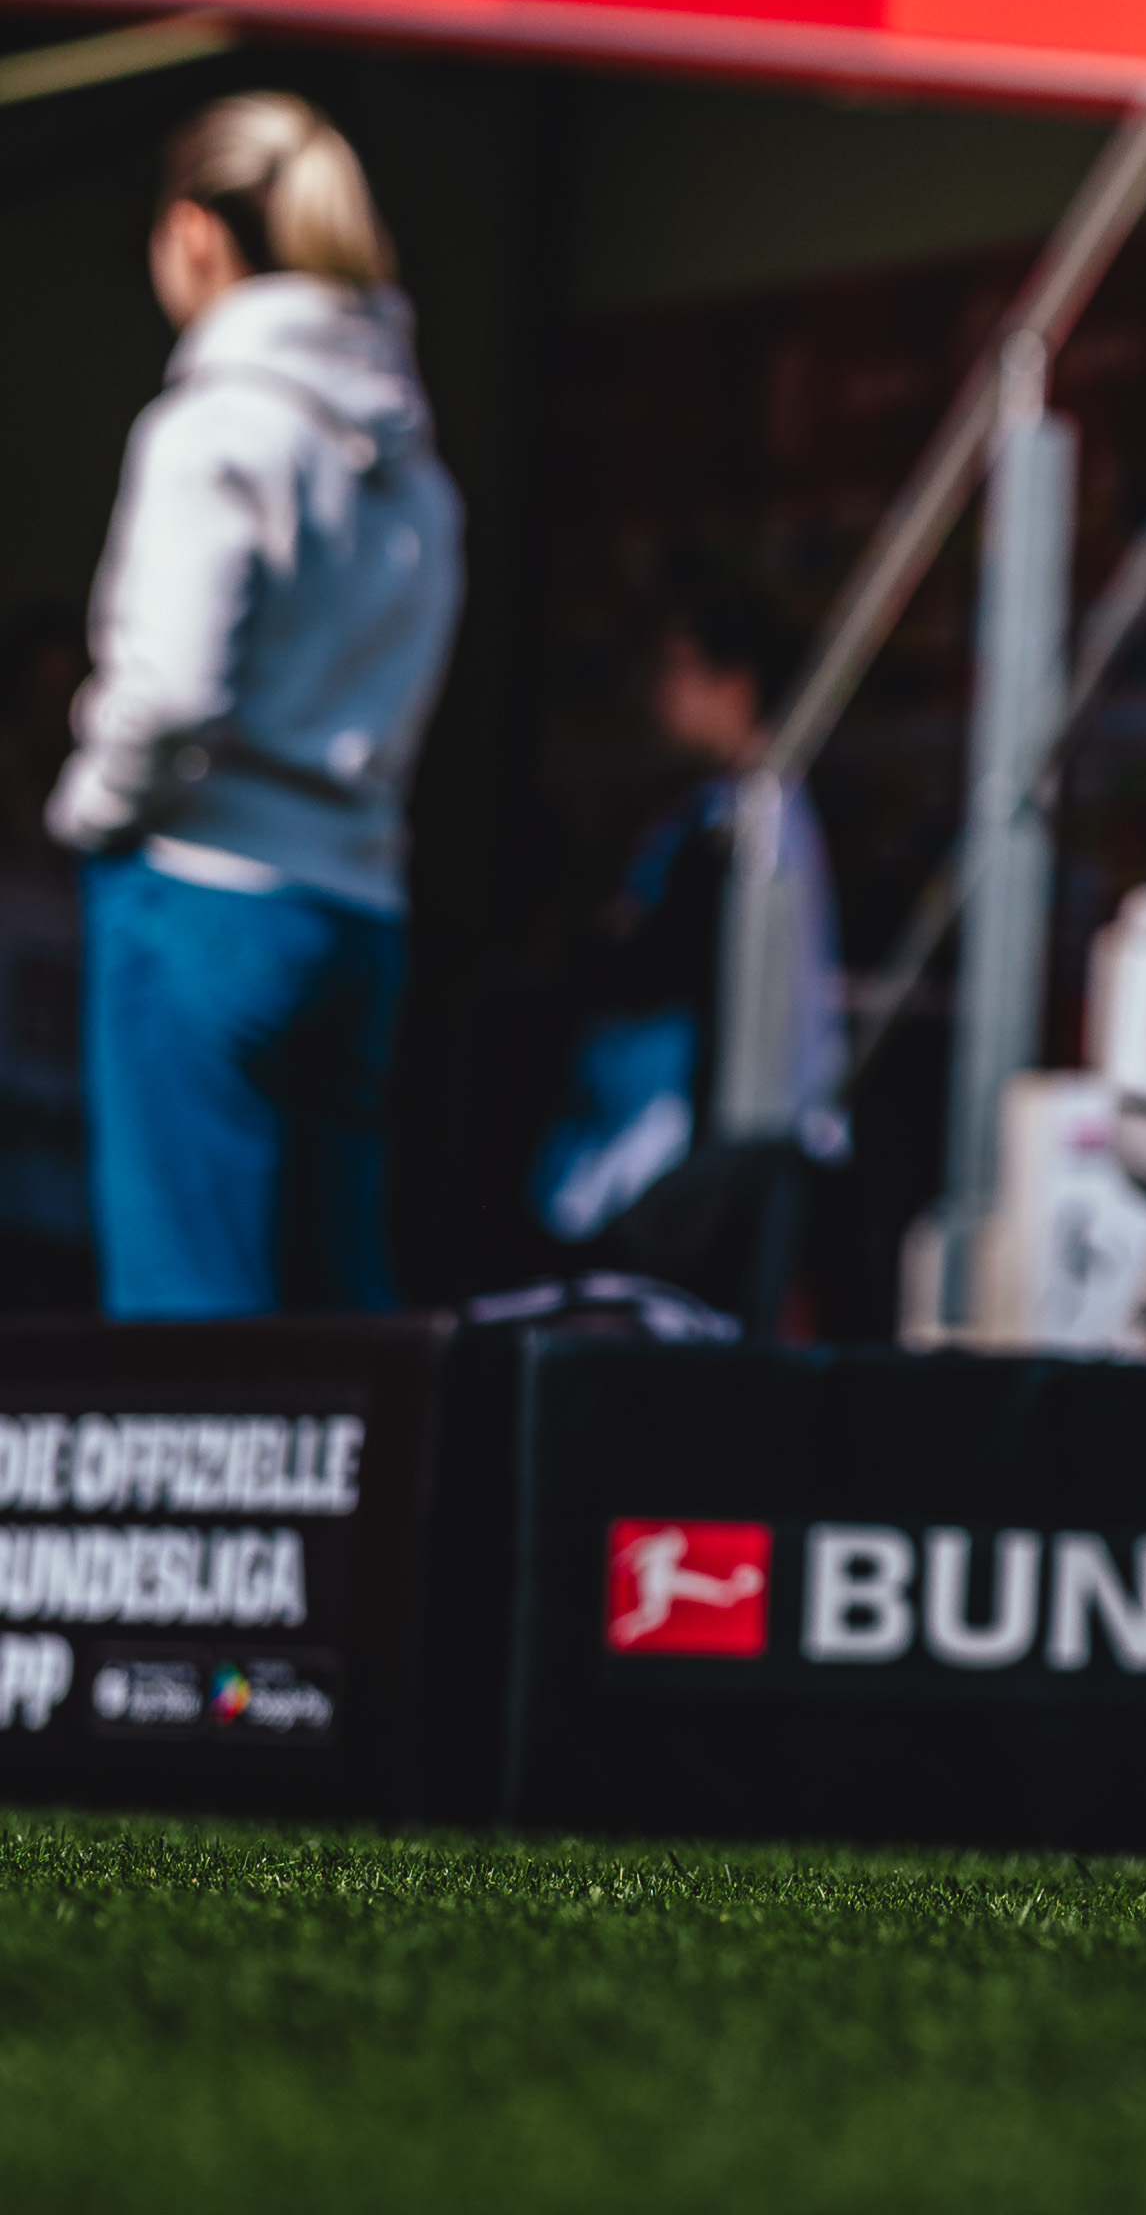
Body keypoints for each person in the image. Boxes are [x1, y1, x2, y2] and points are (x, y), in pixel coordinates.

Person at [49, 93, 464, 1318]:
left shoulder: (214, 429)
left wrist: (91, 811)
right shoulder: (416, 469)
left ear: (193, 234)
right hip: (359, 910)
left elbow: (172, 689)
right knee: (337, 1328)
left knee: (189, 1325)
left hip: (201, 893)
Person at [529, 555, 844, 1325]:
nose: (655, 693)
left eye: (673, 669)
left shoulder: (749, 830)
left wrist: (599, 944)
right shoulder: (720, 813)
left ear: (734, 683)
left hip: (681, 1165)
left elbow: (660, 972)